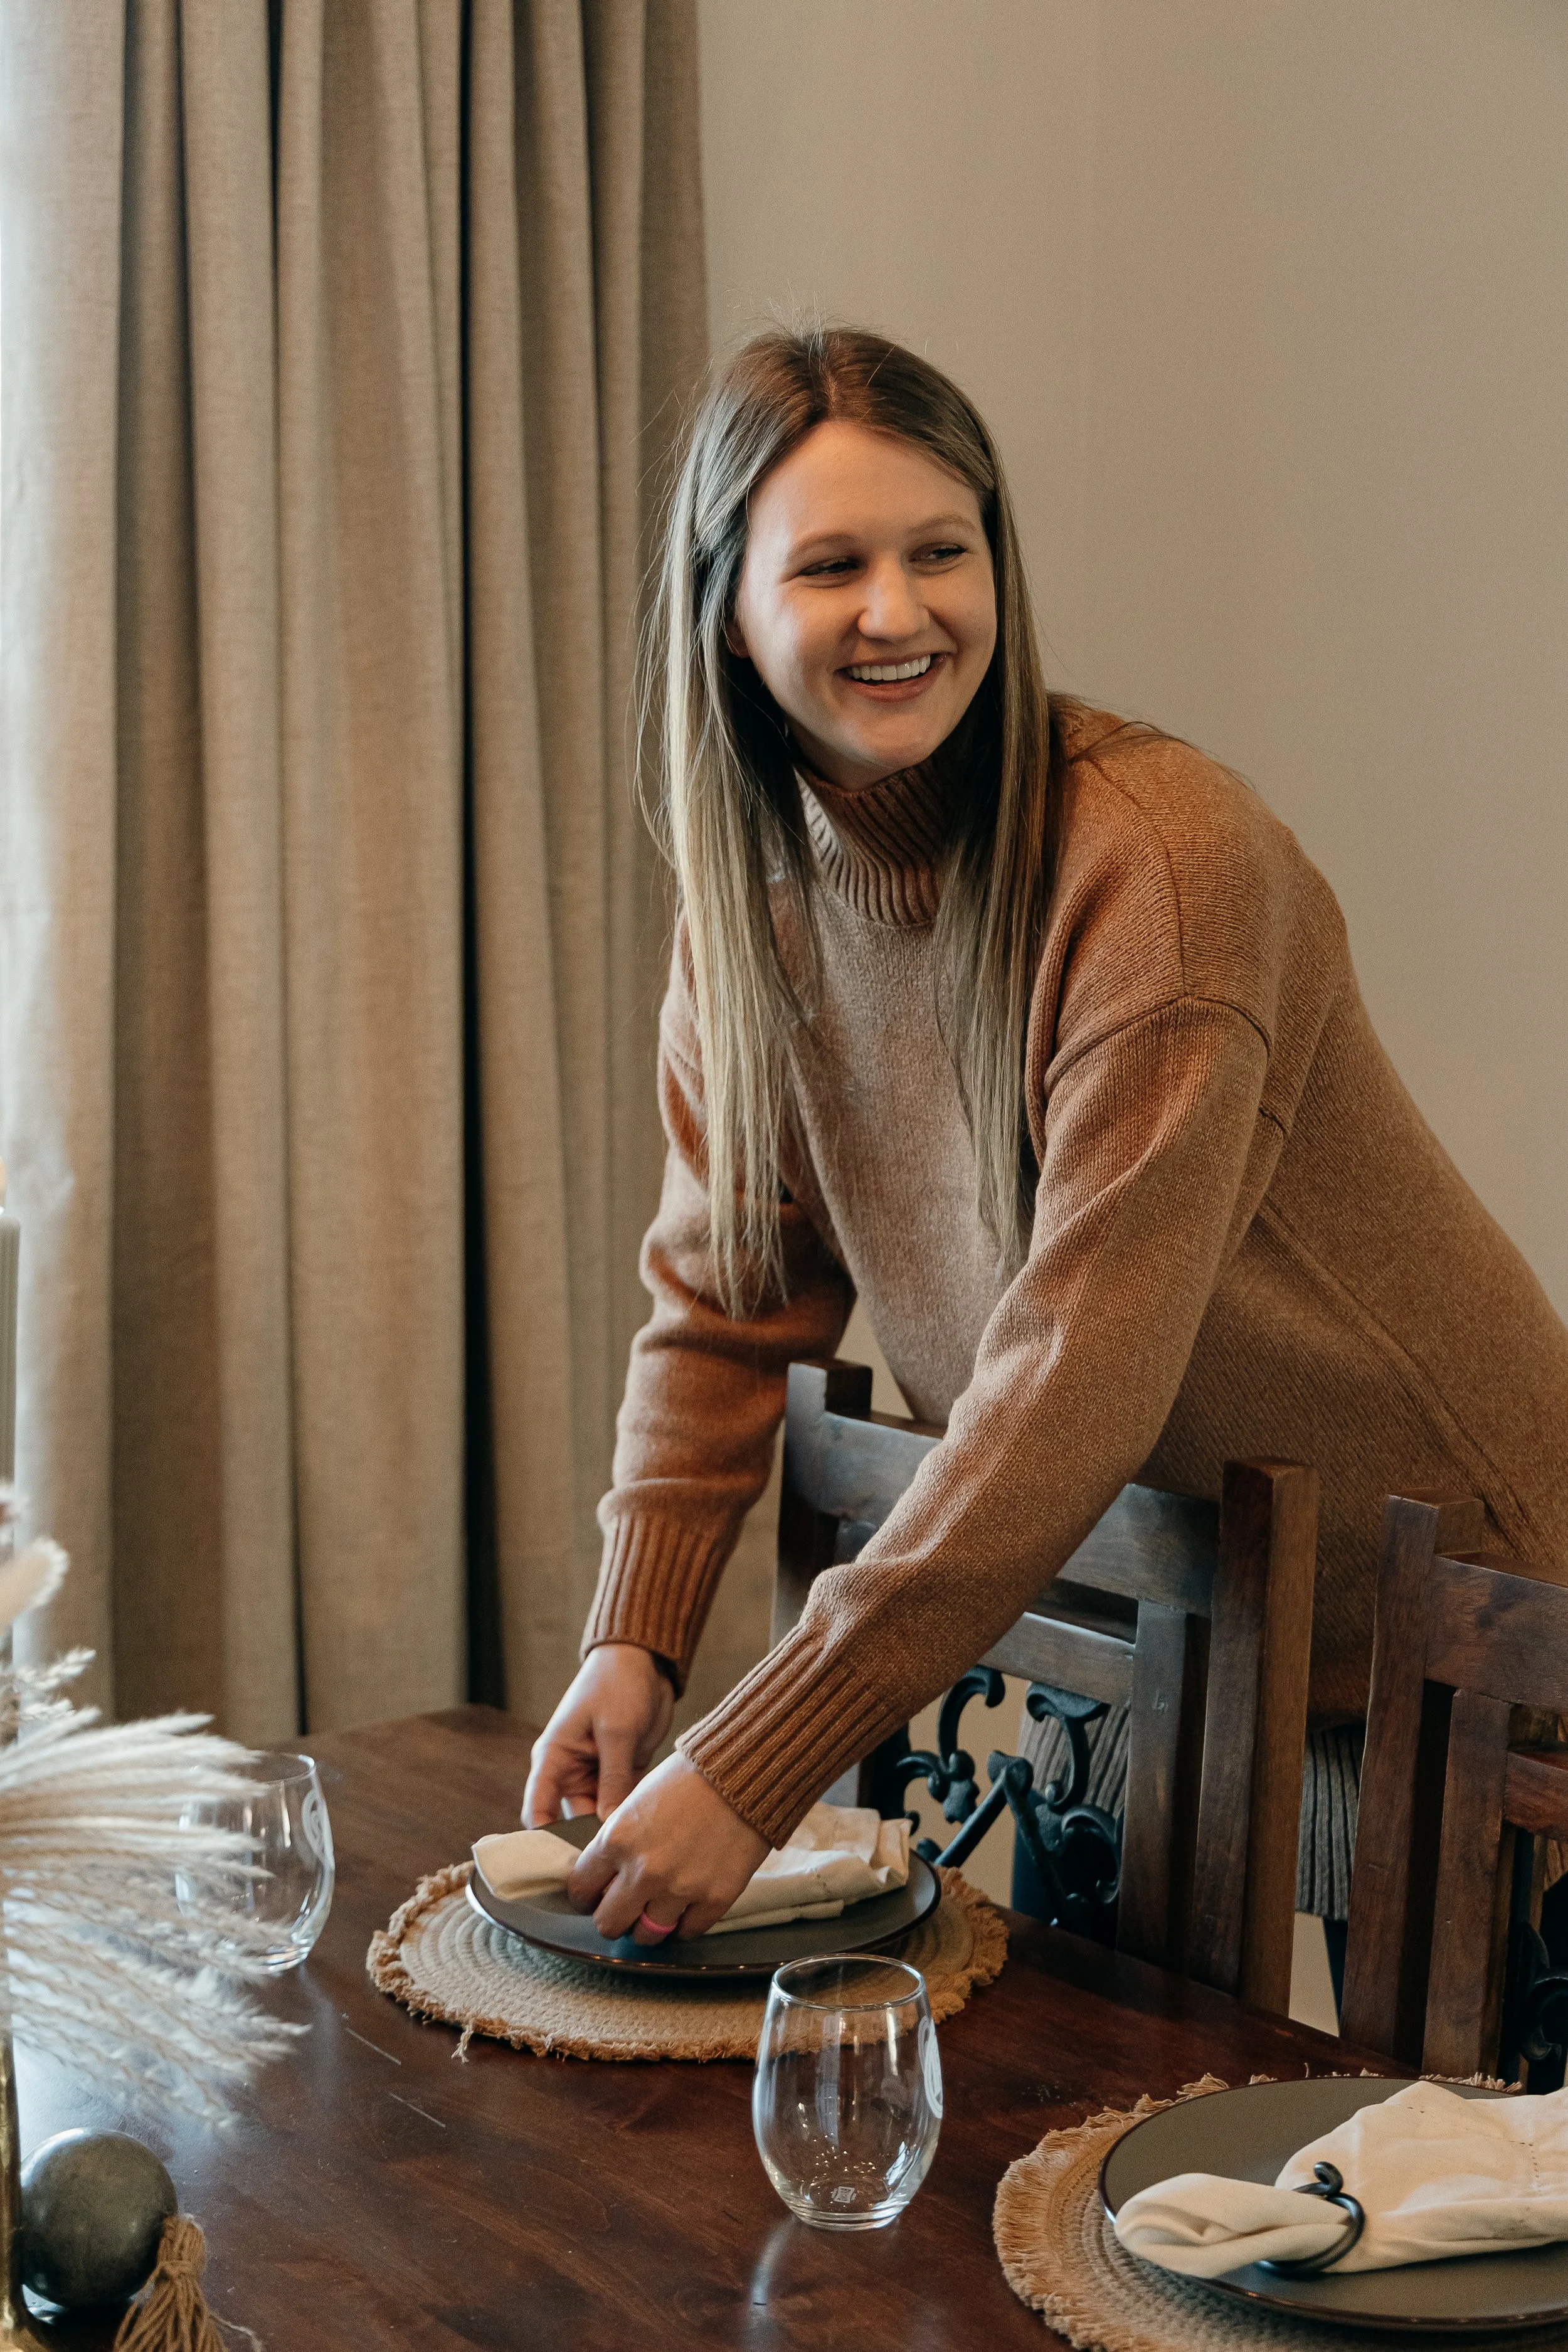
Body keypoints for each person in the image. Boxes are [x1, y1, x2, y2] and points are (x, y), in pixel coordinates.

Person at [521, 326, 1568, 1968]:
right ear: (723, 611)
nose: (899, 610)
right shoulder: (753, 916)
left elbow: (1077, 1371)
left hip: (1478, 1614)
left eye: (943, 551)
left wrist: (751, 1754)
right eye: (832, 565)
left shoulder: (1156, 867)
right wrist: (635, 1643)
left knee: (1457, 2197)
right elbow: (724, 1305)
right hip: (1173, 1605)